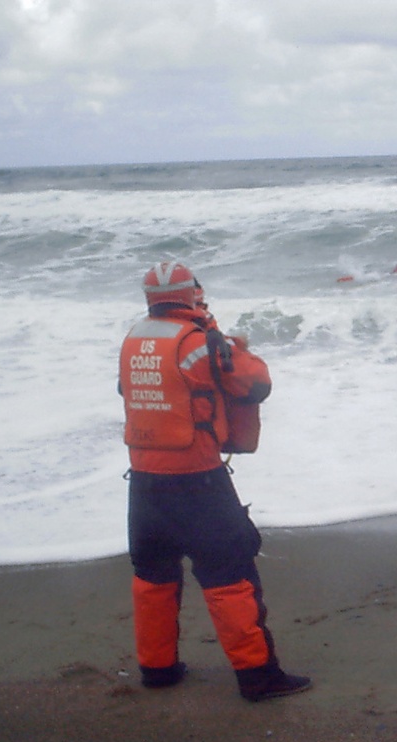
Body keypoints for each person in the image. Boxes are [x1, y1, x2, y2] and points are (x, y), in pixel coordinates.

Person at [118, 261, 310, 702]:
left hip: (144, 484)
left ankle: (157, 668)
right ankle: (259, 677)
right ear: (191, 295)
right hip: (197, 480)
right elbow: (256, 383)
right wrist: (214, 328)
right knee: (229, 576)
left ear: (149, 299)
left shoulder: (132, 340)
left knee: (153, 578)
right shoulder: (201, 342)